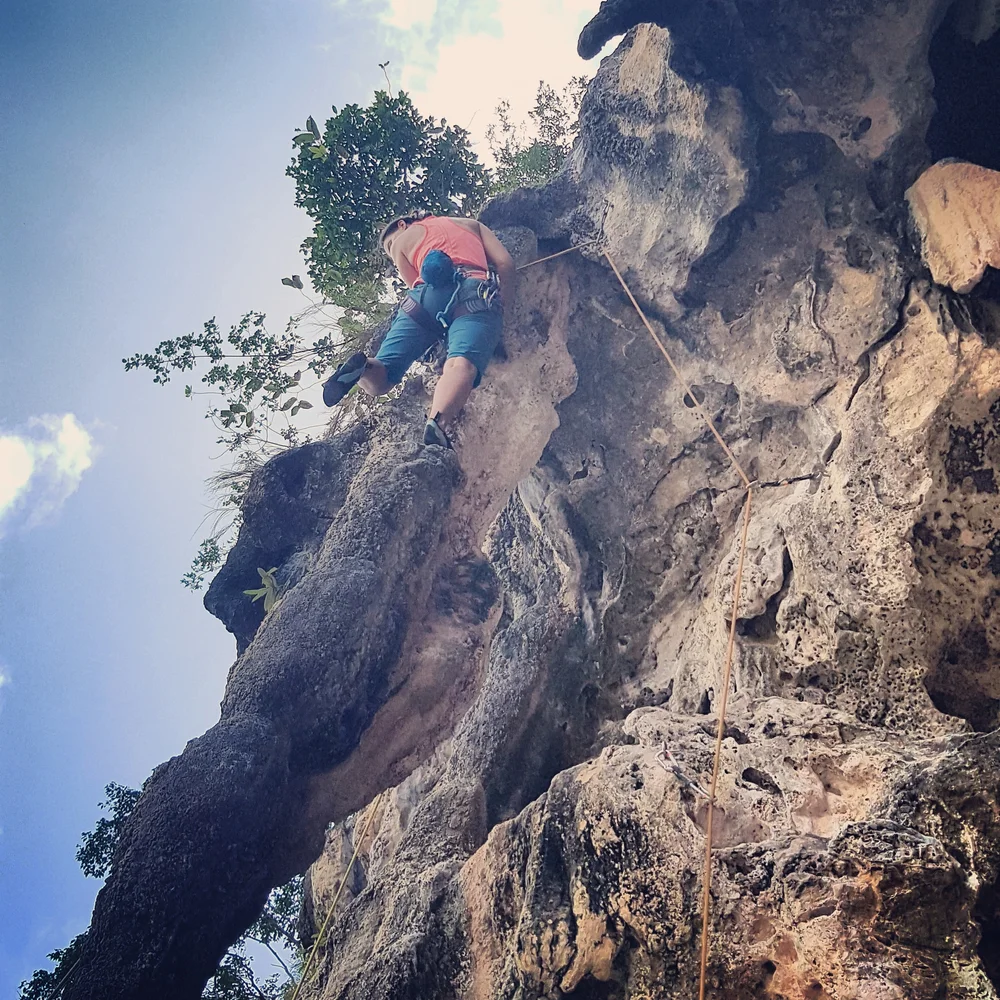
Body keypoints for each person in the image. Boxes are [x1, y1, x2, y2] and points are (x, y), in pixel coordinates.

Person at [322, 214, 516, 448]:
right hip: (474, 291)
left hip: (423, 300)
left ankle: (364, 367)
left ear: (402, 224)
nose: (391, 249)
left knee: (379, 383)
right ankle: (437, 423)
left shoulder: (402, 243)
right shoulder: (472, 225)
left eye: (389, 243)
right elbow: (505, 263)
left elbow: (416, 282)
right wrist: (503, 302)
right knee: (460, 364)